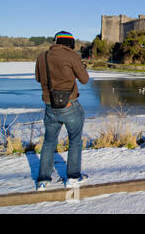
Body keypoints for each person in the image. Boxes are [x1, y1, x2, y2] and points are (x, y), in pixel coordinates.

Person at [34, 31, 90, 191]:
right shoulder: (72, 57)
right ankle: (72, 177)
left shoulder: (41, 57)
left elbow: (38, 78)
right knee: (75, 141)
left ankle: (43, 181)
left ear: (56, 41)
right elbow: (85, 80)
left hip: (49, 106)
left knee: (49, 142)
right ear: (70, 44)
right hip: (69, 105)